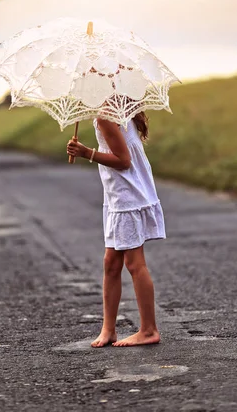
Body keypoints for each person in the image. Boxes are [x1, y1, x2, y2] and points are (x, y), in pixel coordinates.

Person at [66, 111, 166, 347]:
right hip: (117, 197)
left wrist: (85, 152)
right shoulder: (116, 111)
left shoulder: (105, 117)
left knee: (134, 263)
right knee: (111, 263)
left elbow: (123, 161)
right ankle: (108, 329)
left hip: (126, 197)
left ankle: (149, 329)